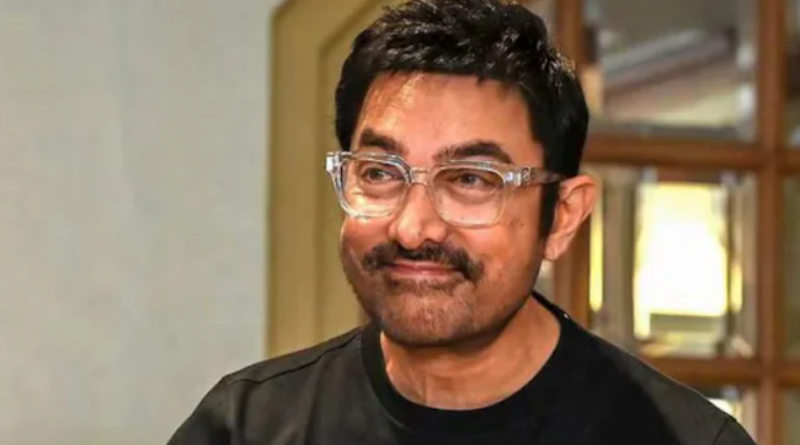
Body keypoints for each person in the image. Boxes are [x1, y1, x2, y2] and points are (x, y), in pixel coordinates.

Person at [167, 1, 757, 444]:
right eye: (380, 172)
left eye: (472, 179)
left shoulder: (681, 438)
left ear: (562, 216)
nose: (413, 228)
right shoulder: (248, 426)